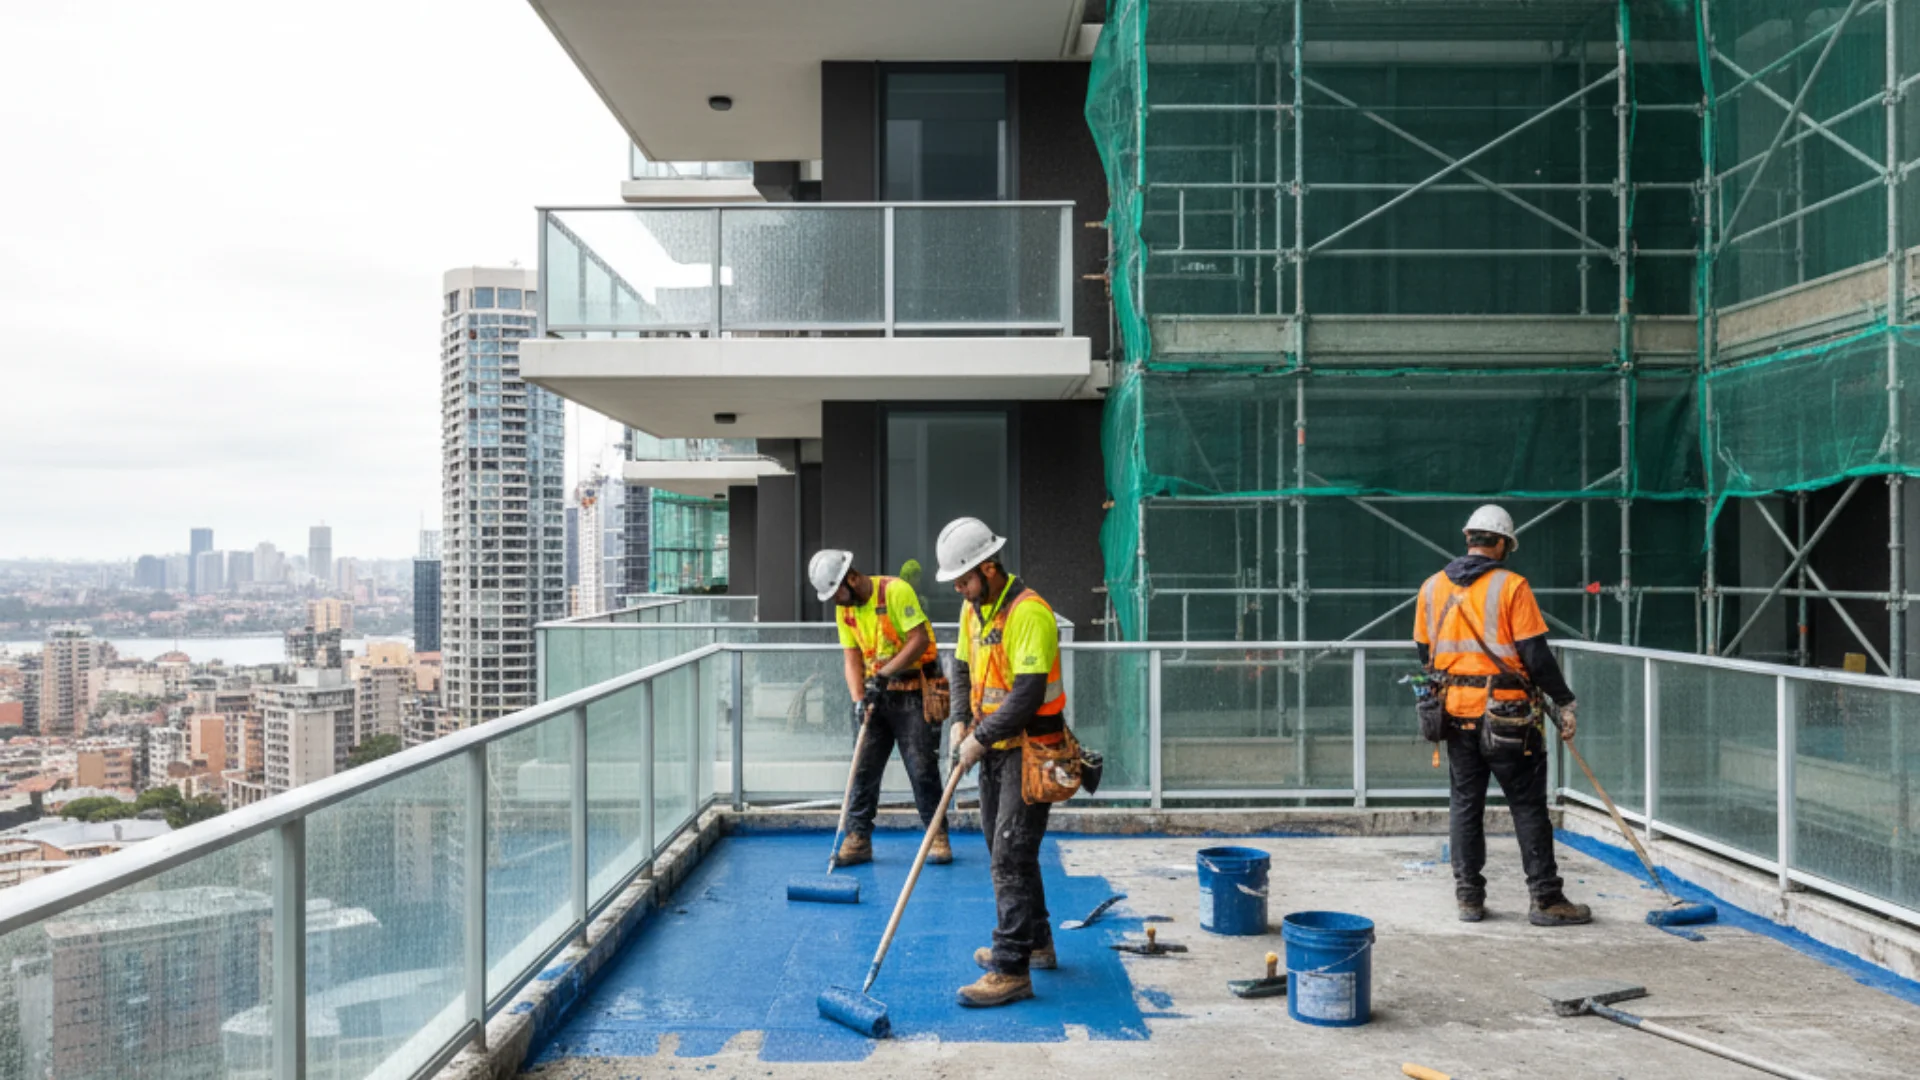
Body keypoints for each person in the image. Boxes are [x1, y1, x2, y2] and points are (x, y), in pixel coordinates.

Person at [1413, 505, 1590, 927]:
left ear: (1468, 536)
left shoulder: (1432, 587)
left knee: (1465, 806)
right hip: (1509, 719)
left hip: (1455, 716)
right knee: (1528, 807)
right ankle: (1546, 900)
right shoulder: (1512, 586)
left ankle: (1469, 899)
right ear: (1502, 543)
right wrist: (1563, 701)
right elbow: (1535, 654)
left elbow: (1426, 656)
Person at [940, 517, 1066, 1007]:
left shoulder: (1029, 613)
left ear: (989, 568)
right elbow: (963, 668)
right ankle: (1035, 941)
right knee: (1004, 844)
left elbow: (1028, 694)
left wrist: (979, 738)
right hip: (993, 747)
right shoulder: (975, 609)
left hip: (1032, 751)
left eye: (964, 578)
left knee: (1009, 856)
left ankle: (1011, 967)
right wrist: (957, 722)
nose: (958, 588)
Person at [808, 548, 949, 866]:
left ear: (852, 578)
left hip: (915, 692)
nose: (835, 600)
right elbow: (852, 659)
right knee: (863, 767)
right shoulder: (845, 611)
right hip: (877, 697)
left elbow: (919, 641)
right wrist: (859, 699)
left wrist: (885, 674)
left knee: (922, 766)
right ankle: (858, 838)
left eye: (836, 592)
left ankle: (937, 836)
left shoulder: (895, 591)